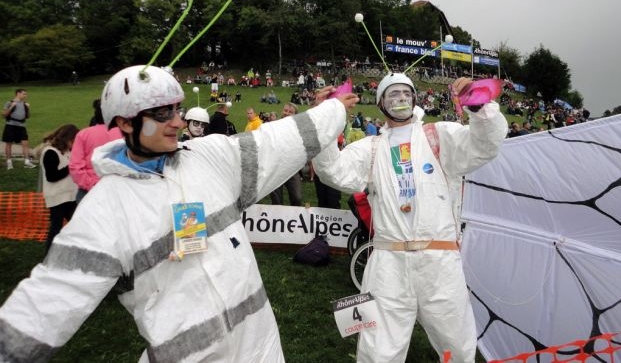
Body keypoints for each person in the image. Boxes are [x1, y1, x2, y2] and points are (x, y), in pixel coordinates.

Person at [0, 64, 358, 362]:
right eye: (161, 113)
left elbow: (281, 140)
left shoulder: (208, 156)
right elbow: (48, 299)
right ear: (125, 123)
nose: (176, 121)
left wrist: (333, 109)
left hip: (261, 350)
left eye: (176, 109)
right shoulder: (106, 207)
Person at [313, 72, 507, 362]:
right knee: (378, 349)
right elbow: (331, 169)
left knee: (458, 346)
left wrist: (478, 104)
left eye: (405, 93)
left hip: (439, 263)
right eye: (392, 94)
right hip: (388, 264)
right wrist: (324, 117)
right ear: (380, 103)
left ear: (415, 98)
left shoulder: (439, 135)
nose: (400, 99)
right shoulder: (370, 148)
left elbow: (485, 145)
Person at [69, 99, 122, 202]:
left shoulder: (83, 134)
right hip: (117, 187)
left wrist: (91, 184)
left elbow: (75, 166)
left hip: (89, 190)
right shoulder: (124, 133)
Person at [39, 124, 79, 253]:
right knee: (56, 227)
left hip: (70, 196)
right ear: (66, 138)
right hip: (57, 196)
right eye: (73, 141)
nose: (75, 144)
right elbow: (51, 176)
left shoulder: (67, 151)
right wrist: (70, 167)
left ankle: (75, 251)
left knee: (77, 225)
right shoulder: (50, 152)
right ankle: (49, 255)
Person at [268, 103, 302, 206]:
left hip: (292, 168)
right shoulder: (274, 126)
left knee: (297, 197)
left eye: (290, 112)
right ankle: (277, 219)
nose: (286, 113)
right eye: (285, 110)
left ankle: (295, 218)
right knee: (276, 200)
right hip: (275, 167)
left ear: (295, 114)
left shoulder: (299, 129)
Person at [2, 88, 36, 169]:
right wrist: (11, 107)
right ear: (18, 94)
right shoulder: (9, 102)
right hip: (10, 125)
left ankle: (27, 162)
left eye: (25, 94)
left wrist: (28, 108)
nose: (25, 95)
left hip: (21, 126)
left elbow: (27, 116)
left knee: (25, 143)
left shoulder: (25, 104)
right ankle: (9, 163)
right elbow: (4, 115)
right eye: (24, 94)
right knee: (9, 143)